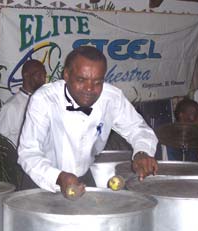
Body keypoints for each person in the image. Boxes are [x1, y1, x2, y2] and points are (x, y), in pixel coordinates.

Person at [18, 46, 158, 196]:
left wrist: (142, 152)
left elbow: (137, 128)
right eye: (81, 80)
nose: (89, 89)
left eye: (97, 82)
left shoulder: (112, 98)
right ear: (66, 75)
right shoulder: (44, 100)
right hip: (42, 180)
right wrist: (58, 177)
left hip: (82, 178)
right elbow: (29, 152)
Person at [0, 59, 46, 147]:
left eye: (44, 75)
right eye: (39, 75)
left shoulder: (44, 103)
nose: (43, 79)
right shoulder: (11, 106)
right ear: (26, 76)